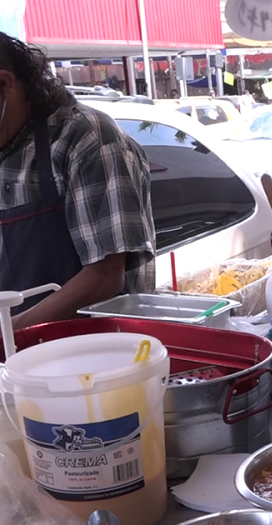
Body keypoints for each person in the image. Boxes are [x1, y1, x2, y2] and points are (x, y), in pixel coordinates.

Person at [0, 34, 155, 329]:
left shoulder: (85, 138)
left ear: (5, 84)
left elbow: (105, 275)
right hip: (13, 363)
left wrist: (10, 333)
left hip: (94, 355)